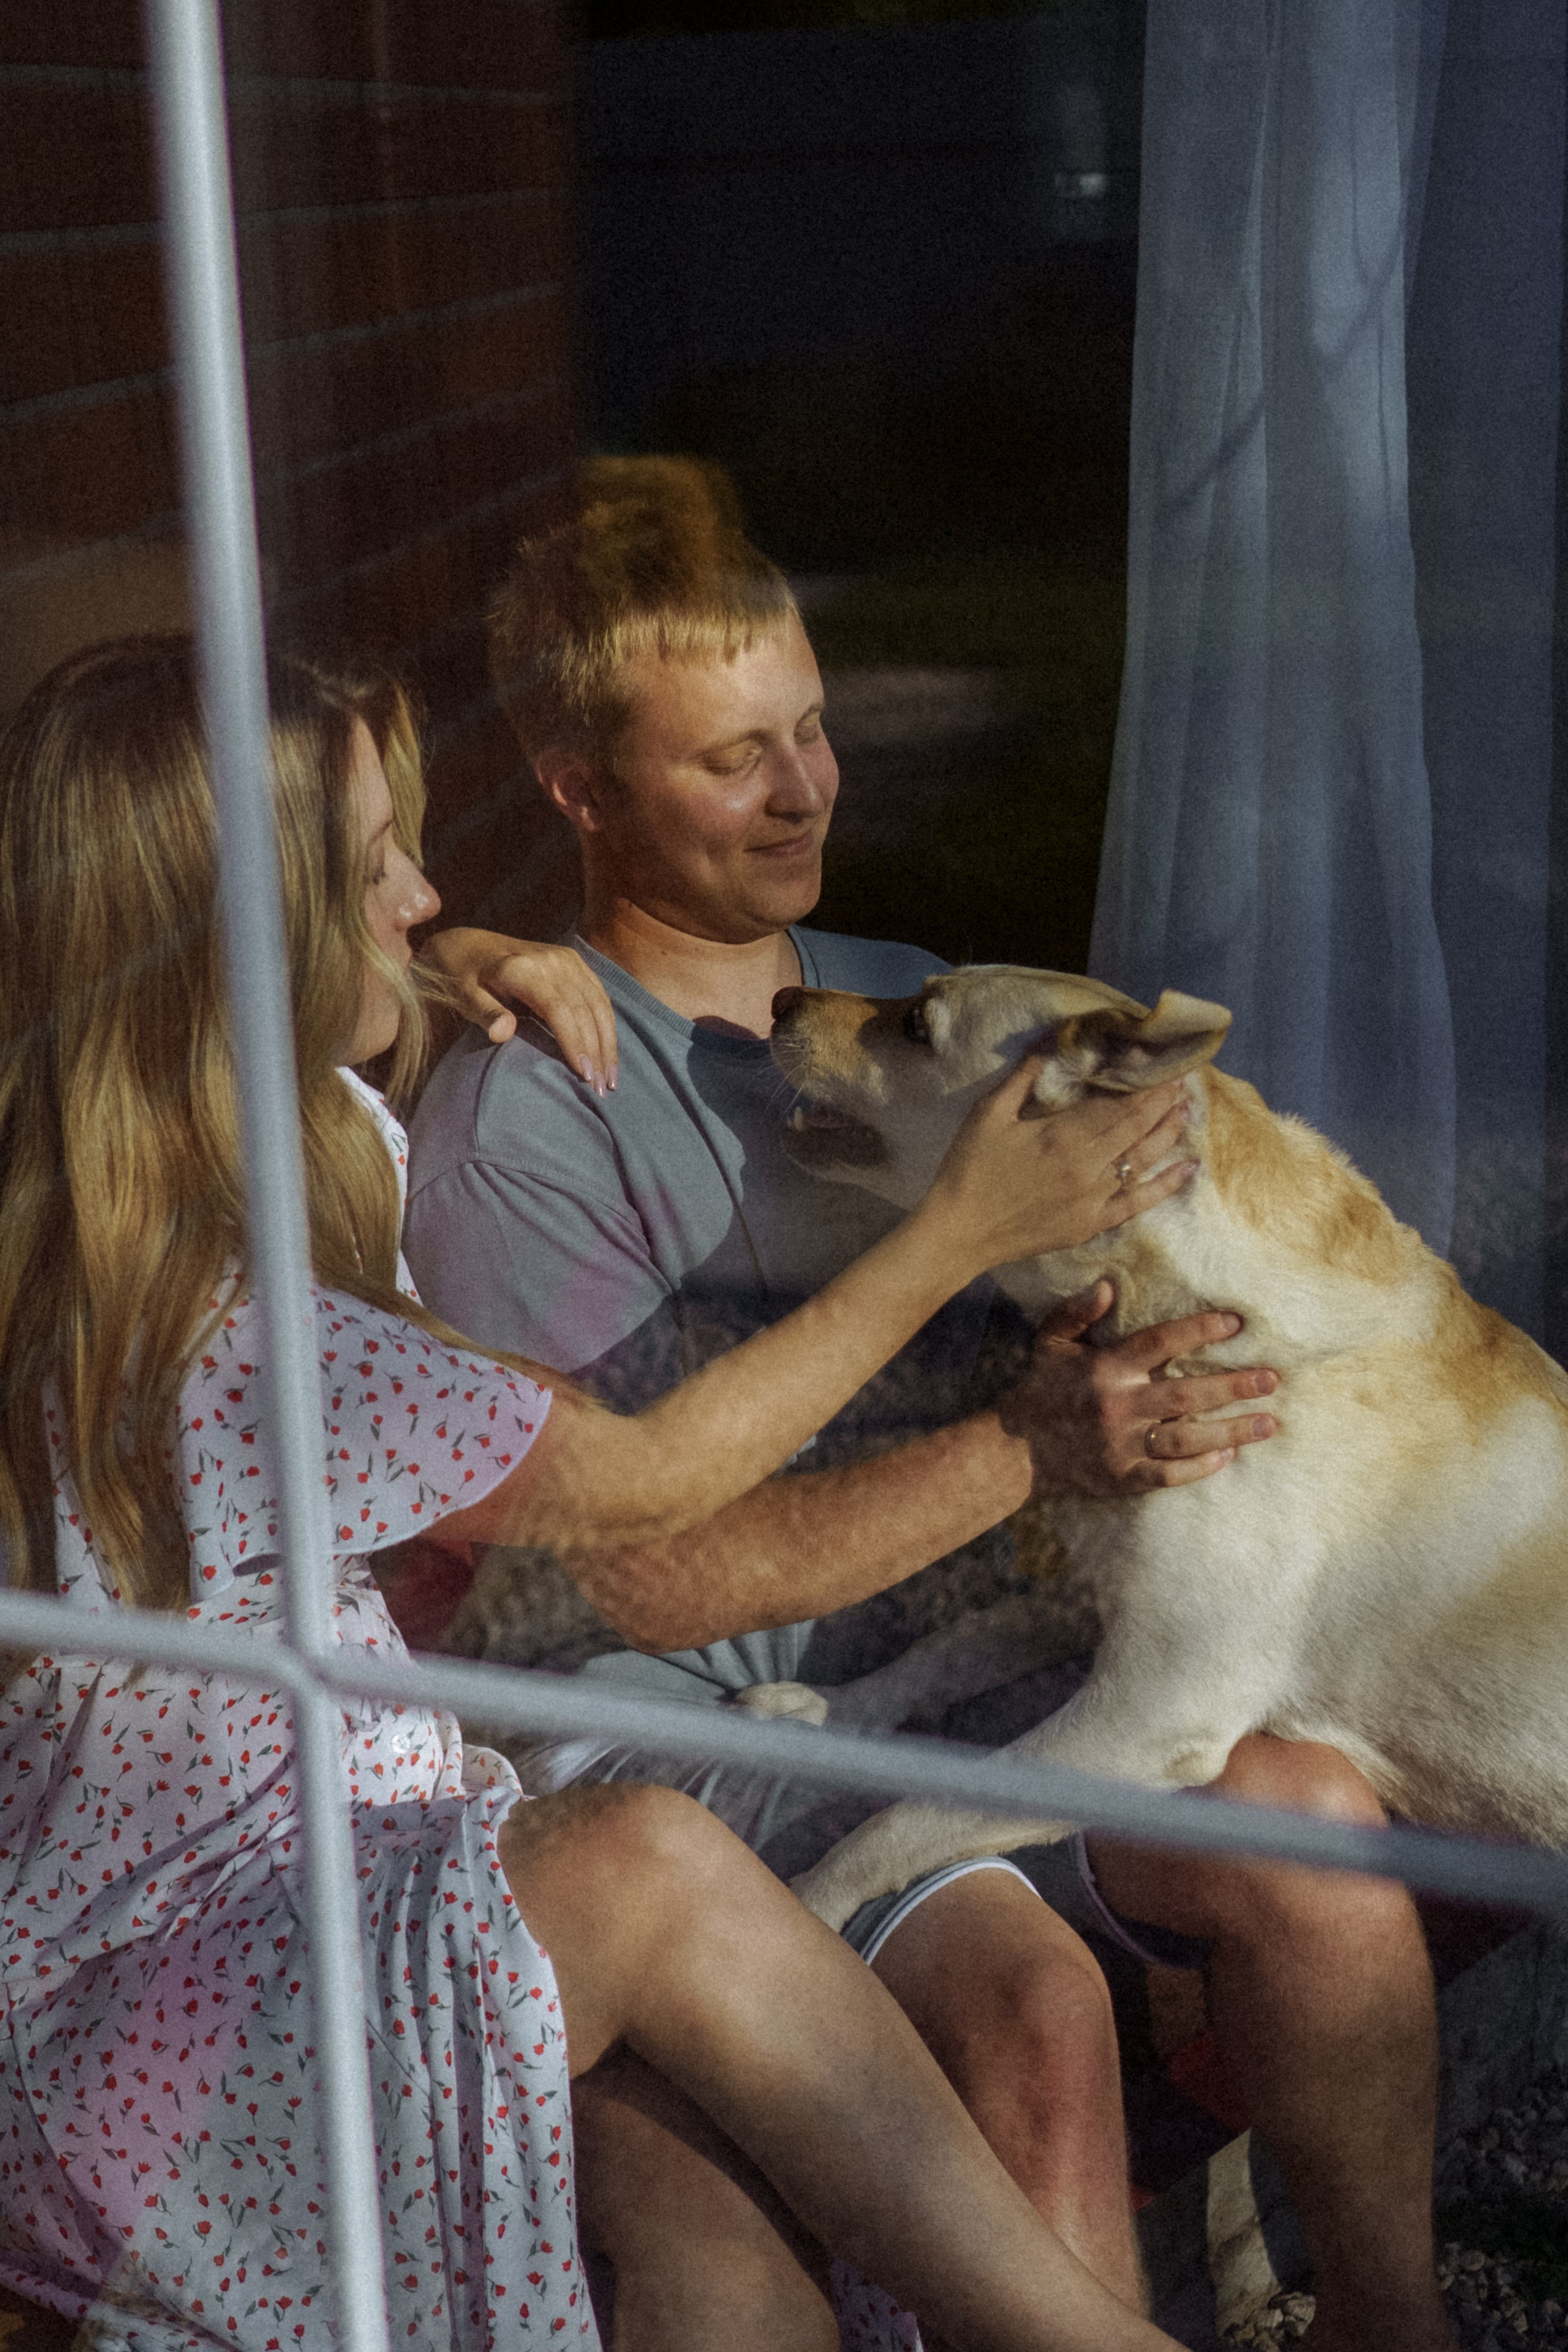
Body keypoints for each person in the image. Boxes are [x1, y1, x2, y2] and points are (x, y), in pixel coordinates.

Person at [0, 634, 1201, 2352]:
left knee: (726, 2246)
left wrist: (451, 961)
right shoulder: (233, 1336)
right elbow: (647, 1486)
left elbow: (280, 1008)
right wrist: (962, 1232)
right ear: (241, 939)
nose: (428, 894)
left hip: (316, 1936)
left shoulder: (161, 1180)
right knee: (647, 1858)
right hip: (190, 2044)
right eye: (374, 870)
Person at [405, 459, 1459, 2352]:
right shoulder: (526, 1129)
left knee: (1316, 1836)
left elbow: (1174, 1304)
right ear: (576, 788)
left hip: (958, 1663)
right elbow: (620, 1586)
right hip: (682, 1724)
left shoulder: (921, 1007)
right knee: (1031, 2007)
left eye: (811, 729)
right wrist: (1033, 1444)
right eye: (734, 758)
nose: (806, 789)